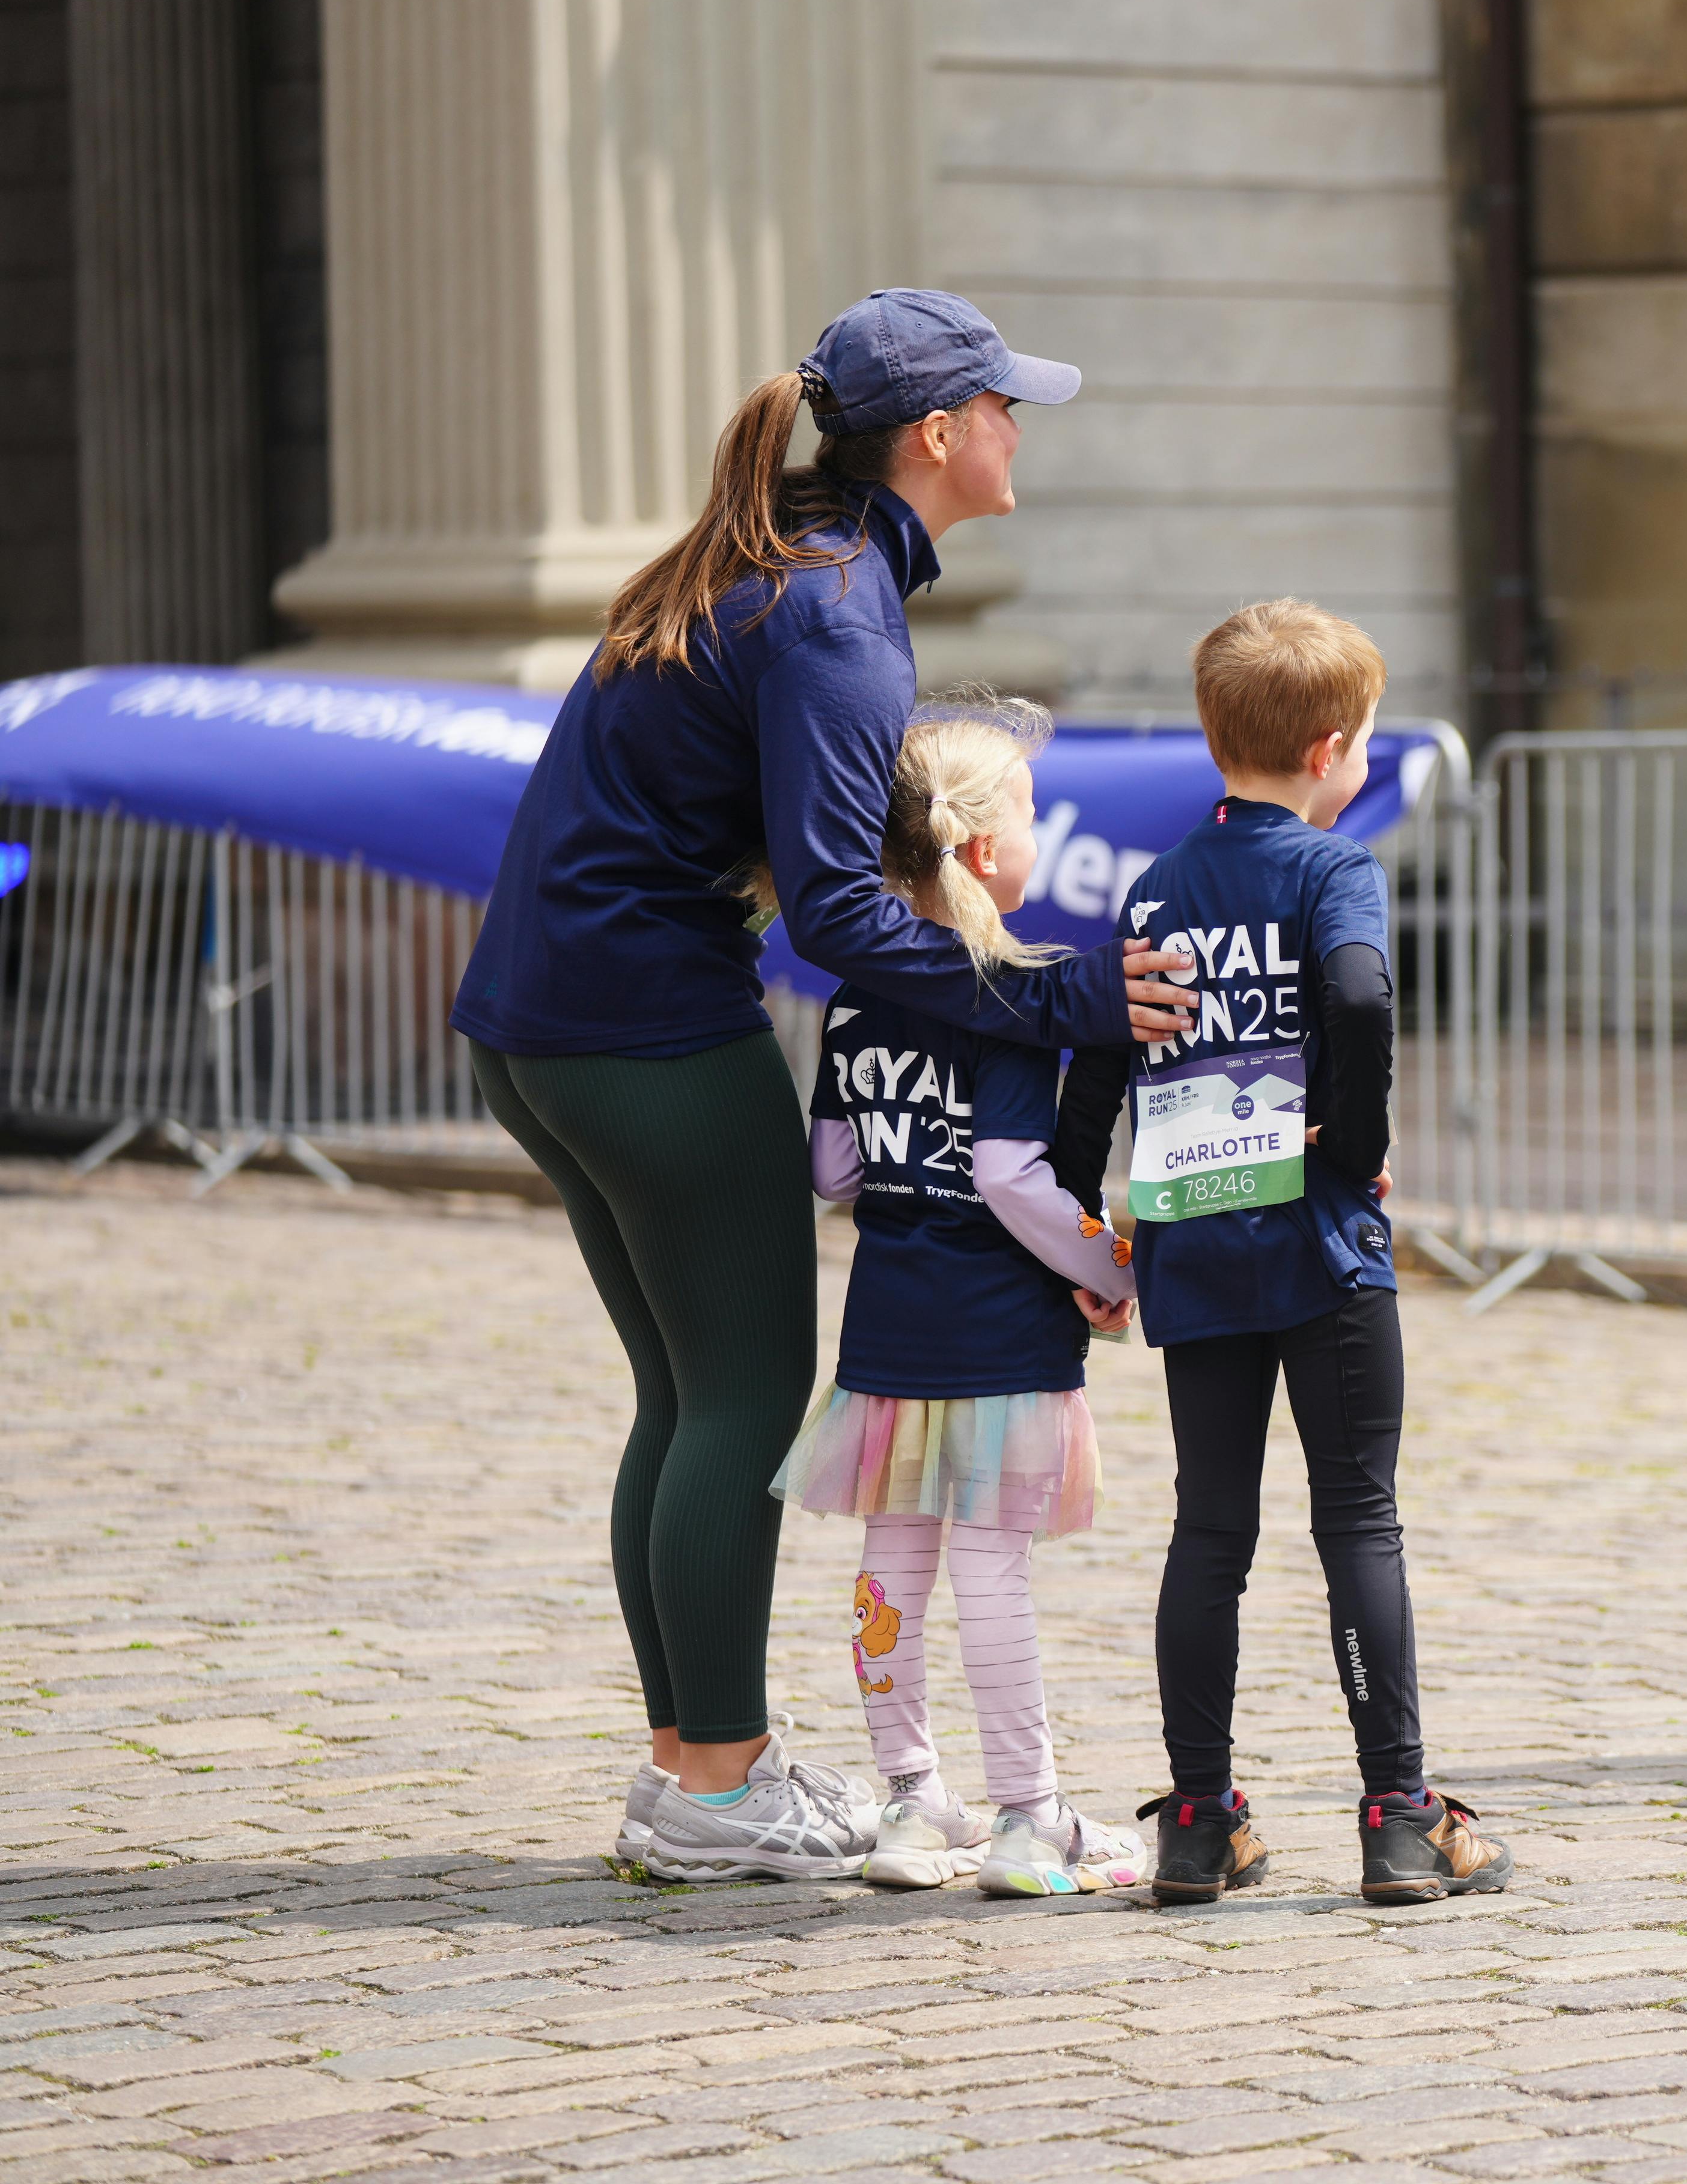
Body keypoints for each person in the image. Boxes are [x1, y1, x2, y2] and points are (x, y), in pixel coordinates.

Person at [454, 290, 1195, 1880]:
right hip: (646, 1031)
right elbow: (848, 912)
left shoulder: (793, 561)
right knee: (731, 1402)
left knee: (681, 1401)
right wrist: (1065, 995)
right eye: (1005, 407)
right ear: (938, 437)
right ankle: (717, 1791)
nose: (1018, 431)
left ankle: (690, 1776)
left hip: (540, 1021)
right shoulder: (839, 611)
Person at [1050, 600, 1512, 1905]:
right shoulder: (1332, 865)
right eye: (1363, 736)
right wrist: (1356, 1144)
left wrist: (1092, 1224)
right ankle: (1401, 1814)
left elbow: (1096, 1052)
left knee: (1211, 1528)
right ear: (1330, 750)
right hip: (1317, 1239)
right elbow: (1361, 995)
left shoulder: (1157, 885)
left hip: (1195, 1242)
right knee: (1357, 1517)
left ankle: (1199, 1818)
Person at [755, 693, 1149, 1898]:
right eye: (1028, 814)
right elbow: (1011, 1176)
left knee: (892, 1574)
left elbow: (831, 1166)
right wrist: (1111, 1266)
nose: (1037, 834)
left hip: (888, 1333)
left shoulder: (864, 997)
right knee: (992, 1574)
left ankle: (913, 1802)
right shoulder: (1013, 992)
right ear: (983, 848)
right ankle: (1034, 1816)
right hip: (996, 1334)